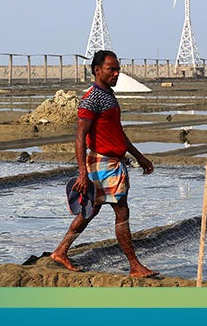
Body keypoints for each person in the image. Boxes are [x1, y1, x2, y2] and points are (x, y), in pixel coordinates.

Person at [50, 50, 158, 278]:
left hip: (113, 162)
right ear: (98, 70)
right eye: (112, 69)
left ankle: (60, 251)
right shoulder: (92, 98)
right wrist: (82, 174)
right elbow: (80, 137)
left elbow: (117, 132)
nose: (116, 73)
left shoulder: (108, 95)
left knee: (91, 210)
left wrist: (139, 156)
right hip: (103, 163)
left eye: (118, 69)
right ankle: (134, 265)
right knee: (121, 210)